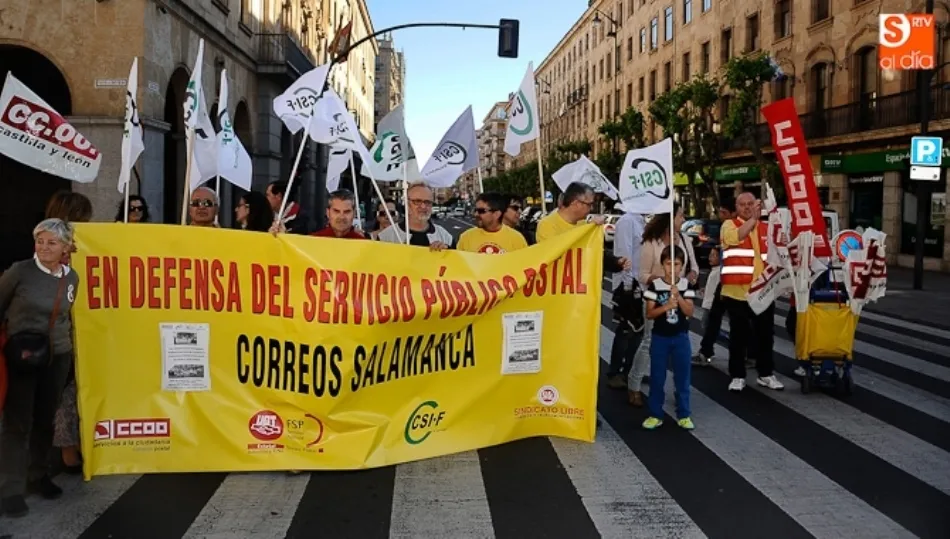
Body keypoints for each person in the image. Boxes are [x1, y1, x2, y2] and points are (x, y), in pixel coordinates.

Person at [0, 219, 80, 517]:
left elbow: (66, 316)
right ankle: (10, 488)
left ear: (66, 247)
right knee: (17, 422)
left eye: (52, 243)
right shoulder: (20, 272)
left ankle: (38, 475)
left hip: (57, 356)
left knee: (46, 419)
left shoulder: (72, 278)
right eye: (40, 241)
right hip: (21, 355)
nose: (44, 247)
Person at [628, 202, 698, 407]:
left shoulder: (684, 239)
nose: (683, 220)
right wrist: (662, 280)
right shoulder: (652, 243)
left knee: (681, 343)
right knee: (649, 341)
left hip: (680, 296)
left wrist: (691, 275)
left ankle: (680, 391)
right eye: (680, 216)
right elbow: (641, 274)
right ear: (670, 218)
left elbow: (693, 266)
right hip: (656, 297)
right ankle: (634, 384)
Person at [44, 192, 92, 475]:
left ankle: (69, 449)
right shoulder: (51, 247)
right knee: (66, 392)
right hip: (60, 331)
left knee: (71, 389)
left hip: (74, 328)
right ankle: (66, 453)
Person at [720, 192, 784, 392]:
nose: (747, 207)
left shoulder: (766, 227)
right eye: (742, 205)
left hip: (763, 292)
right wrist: (755, 219)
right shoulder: (729, 225)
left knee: (765, 335)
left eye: (750, 204)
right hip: (737, 292)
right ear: (736, 207)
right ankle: (737, 375)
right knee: (739, 336)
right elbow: (736, 238)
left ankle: (766, 374)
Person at [641, 245, 696, 431]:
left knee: (682, 377)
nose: (672, 268)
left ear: (682, 266)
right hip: (660, 338)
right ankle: (655, 414)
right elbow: (650, 313)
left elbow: (690, 311)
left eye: (677, 264)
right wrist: (665, 306)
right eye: (668, 264)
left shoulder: (686, 285)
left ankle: (684, 413)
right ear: (662, 265)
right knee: (657, 376)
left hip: (680, 336)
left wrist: (678, 297)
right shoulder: (655, 286)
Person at [606, 209, 647, 391]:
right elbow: (624, 255)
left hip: (640, 285)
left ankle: (629, 370)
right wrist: (628, 286)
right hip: (628, 286)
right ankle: (614, 373)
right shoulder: (626, 221)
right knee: (625, 330)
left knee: (638, 331)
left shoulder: (641, 221)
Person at [692, 198, 735, 366]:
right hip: (724, 281)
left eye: (724, 212)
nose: (721, 216)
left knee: (735, 321)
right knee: (712, 319)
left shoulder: (739, 228)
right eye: (720, 212)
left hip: (735, 282)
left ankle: (746, 352)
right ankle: (706, 351)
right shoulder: (725, 228)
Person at [378, 182, 454, 251]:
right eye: (417, 201)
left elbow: (456, 264)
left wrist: (447, 252)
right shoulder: (386, 237)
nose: (423, 206)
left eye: (428, 202)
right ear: (407, 204)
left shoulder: (445, 237)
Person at [457, 193, 528, 253]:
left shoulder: (517, 239)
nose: (476, 214)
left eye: (481, 211)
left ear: (497, 214)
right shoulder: (466, 238)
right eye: (475, 210)